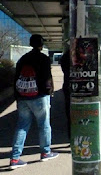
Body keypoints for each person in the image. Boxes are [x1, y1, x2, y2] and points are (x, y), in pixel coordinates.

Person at [9, 34, 59, 170]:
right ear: (41, 44)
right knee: (44, 125)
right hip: (40, 96)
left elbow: (16, 77)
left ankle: (15, 158)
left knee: (22, 126)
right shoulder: (43, 58)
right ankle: (45, 152)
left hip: (23, 96)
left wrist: (17, 95)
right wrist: (50, 92)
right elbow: (47, 77)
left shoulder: (23, 59)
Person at [59, 47, 71, 140]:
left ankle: (71, 138)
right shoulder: (82, 56)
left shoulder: (65, 57)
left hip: (68, 86)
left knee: (70, 114)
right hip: (80, 87)